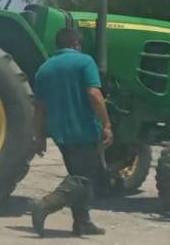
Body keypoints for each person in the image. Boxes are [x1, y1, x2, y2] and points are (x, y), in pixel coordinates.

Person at [31, 27, 113, 237]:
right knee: (83, 178)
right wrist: (107, 124)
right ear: (77, 44)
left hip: (61, 134)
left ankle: (82, 222)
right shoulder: (85, 61)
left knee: (77, 175)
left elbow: (39, 107)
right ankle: (45, 206)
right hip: (84, 129)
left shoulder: (44, 69)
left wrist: (40, 137)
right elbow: (94, 94)